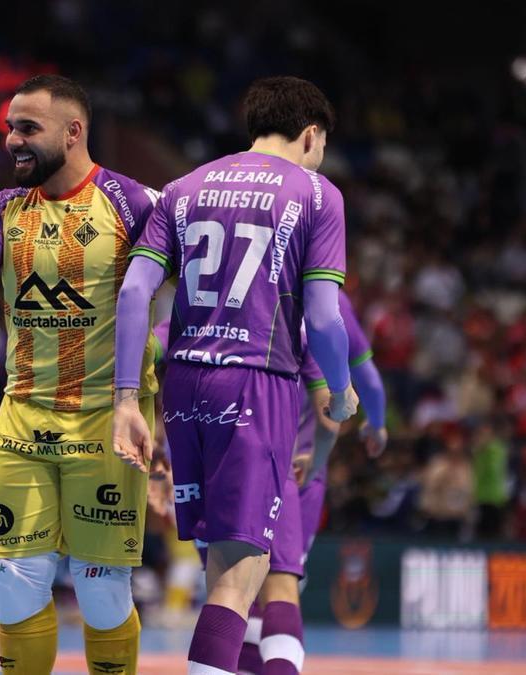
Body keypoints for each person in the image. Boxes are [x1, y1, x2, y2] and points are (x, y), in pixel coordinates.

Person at [112, 76, 358, 675]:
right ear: (311, 134)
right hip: (255, 383)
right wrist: (343, 389)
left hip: (184, 384)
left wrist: (125, 396)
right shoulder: (318, 194)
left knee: (219, 572)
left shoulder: (182, 187)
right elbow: (324, 316)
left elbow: (136, 291)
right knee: (240, 581)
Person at [0, 74, 161, 675]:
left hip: (106, 424)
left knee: (101, 589)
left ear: (73, 131)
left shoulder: (135, 203)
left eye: (28, 128)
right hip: (23, 419)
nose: (12, 140)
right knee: (14, 583)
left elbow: (180, 302)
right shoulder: (4, 208)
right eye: (9, 128)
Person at [237, 290, 387, 675]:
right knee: (281, 589)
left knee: (235, 590)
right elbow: (363, 378)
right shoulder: (329, 303)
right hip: (294, 467)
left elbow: (159, 341)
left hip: (222, 463)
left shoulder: (237, 285)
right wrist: (377, 423)